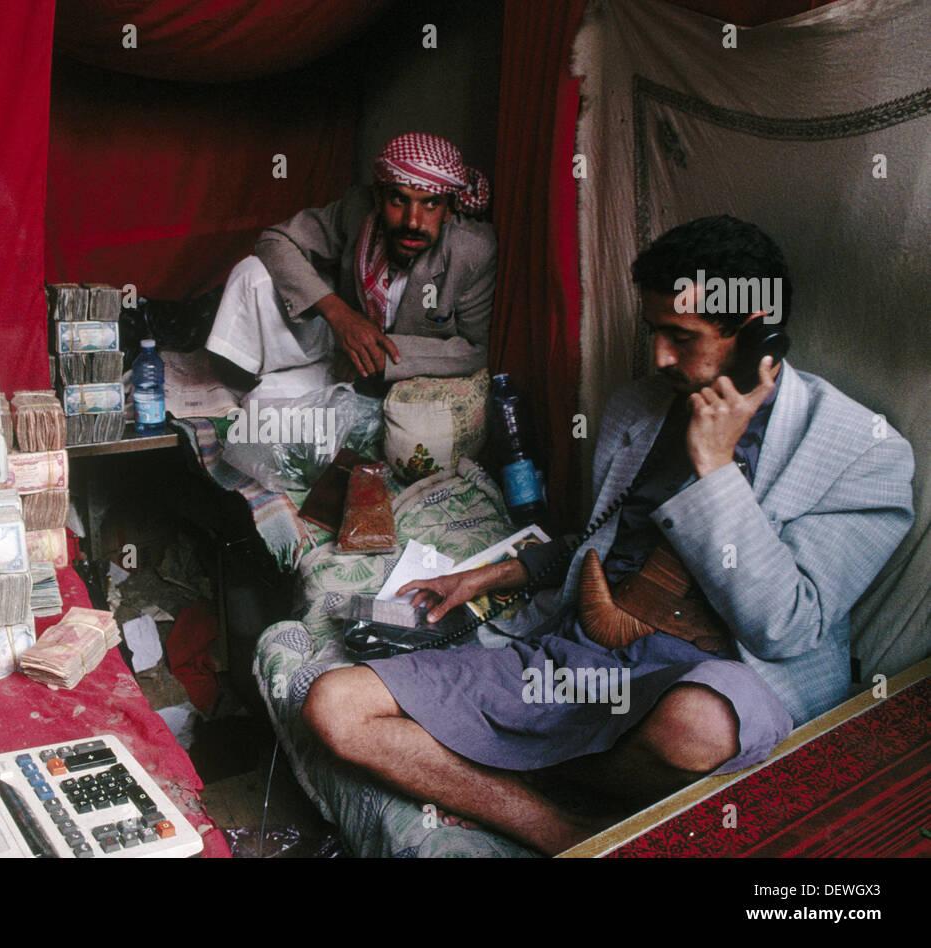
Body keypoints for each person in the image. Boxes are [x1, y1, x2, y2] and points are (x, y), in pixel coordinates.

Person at [301, 215, 915, 855]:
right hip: (584, 659)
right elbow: (604, 547)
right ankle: (564, 830)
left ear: (759, 330)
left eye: (682, 336)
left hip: (712, 678)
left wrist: (713, 469)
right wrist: (490, 574)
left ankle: (510, 760)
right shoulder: (638, 408)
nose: (659, 358)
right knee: (334, 705)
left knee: (699, 727)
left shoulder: (861, 452)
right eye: (655, 332)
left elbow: (785, 627)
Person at [204, 133, 496, 396]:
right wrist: (339, 315)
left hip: (393, 373)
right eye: (399, 200)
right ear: (379, 198)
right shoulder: (358, 208)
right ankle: (235, 384)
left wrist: (378, 355)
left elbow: (478, 350)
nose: (413, 221)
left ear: (448, 210)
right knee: (253, 273)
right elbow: (275, 240)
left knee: (276, 417)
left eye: (431, 204)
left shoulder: (471, 250)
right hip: (336, 346)